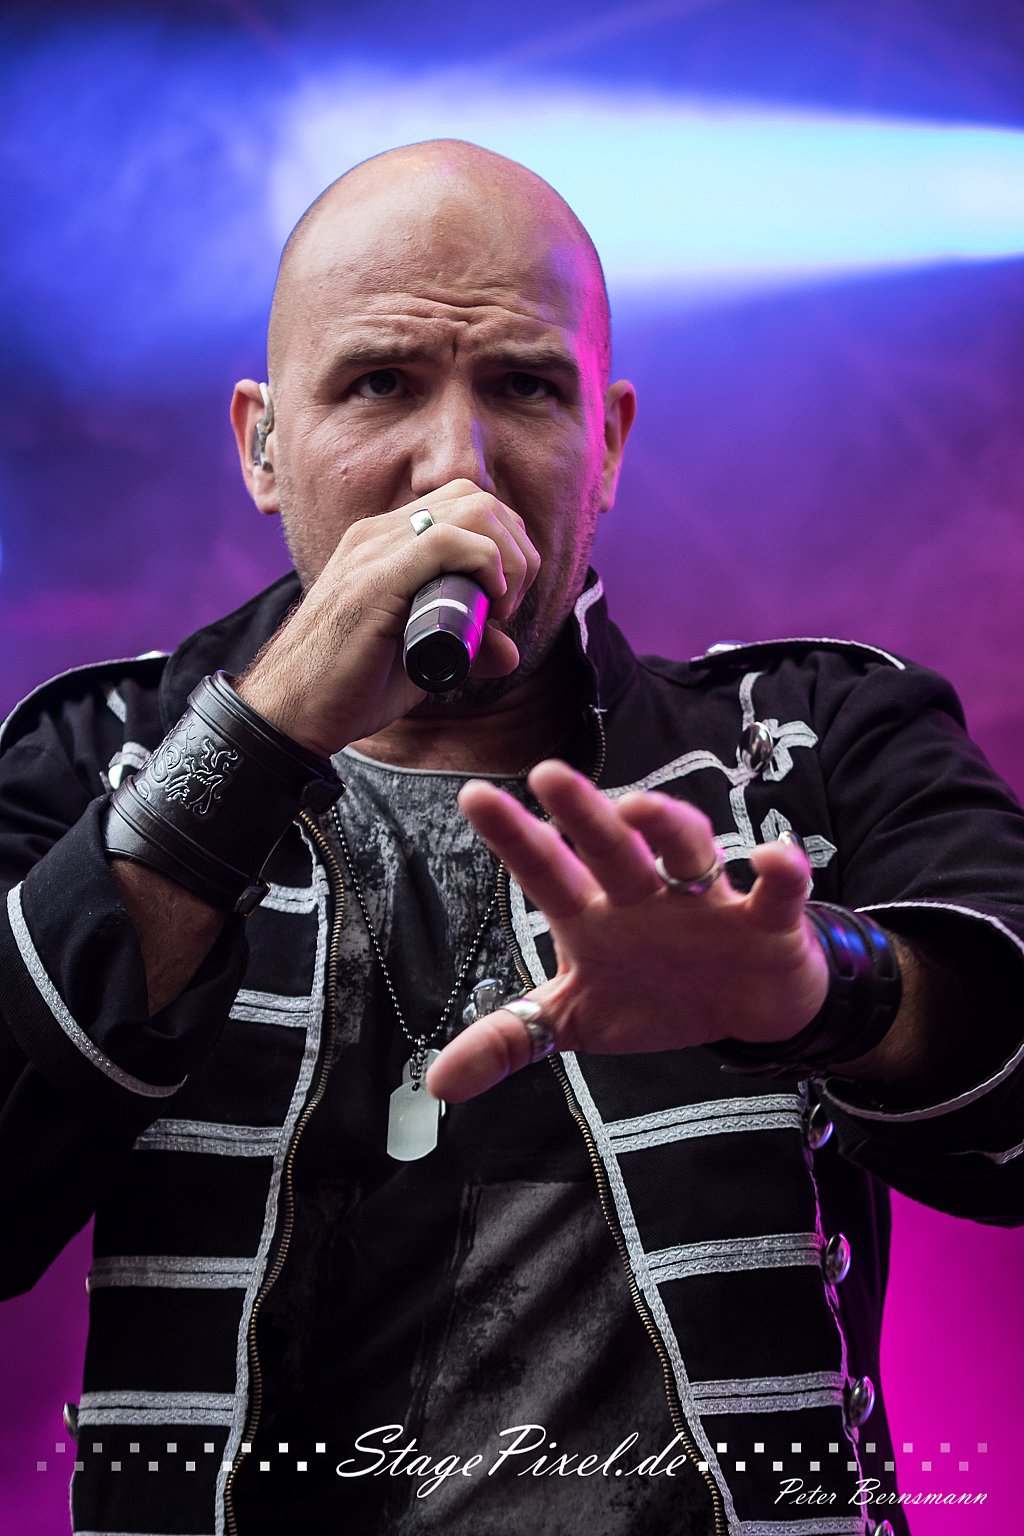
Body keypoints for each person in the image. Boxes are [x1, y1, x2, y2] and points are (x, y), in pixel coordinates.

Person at [1, 139, 1023, 1536]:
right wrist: (265, 728)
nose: (455, 467)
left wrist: (821, 994)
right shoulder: (95, 759)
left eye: (526, 387)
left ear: (608, 444)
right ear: (260, 443)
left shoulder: (815, 736)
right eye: (379, 383)